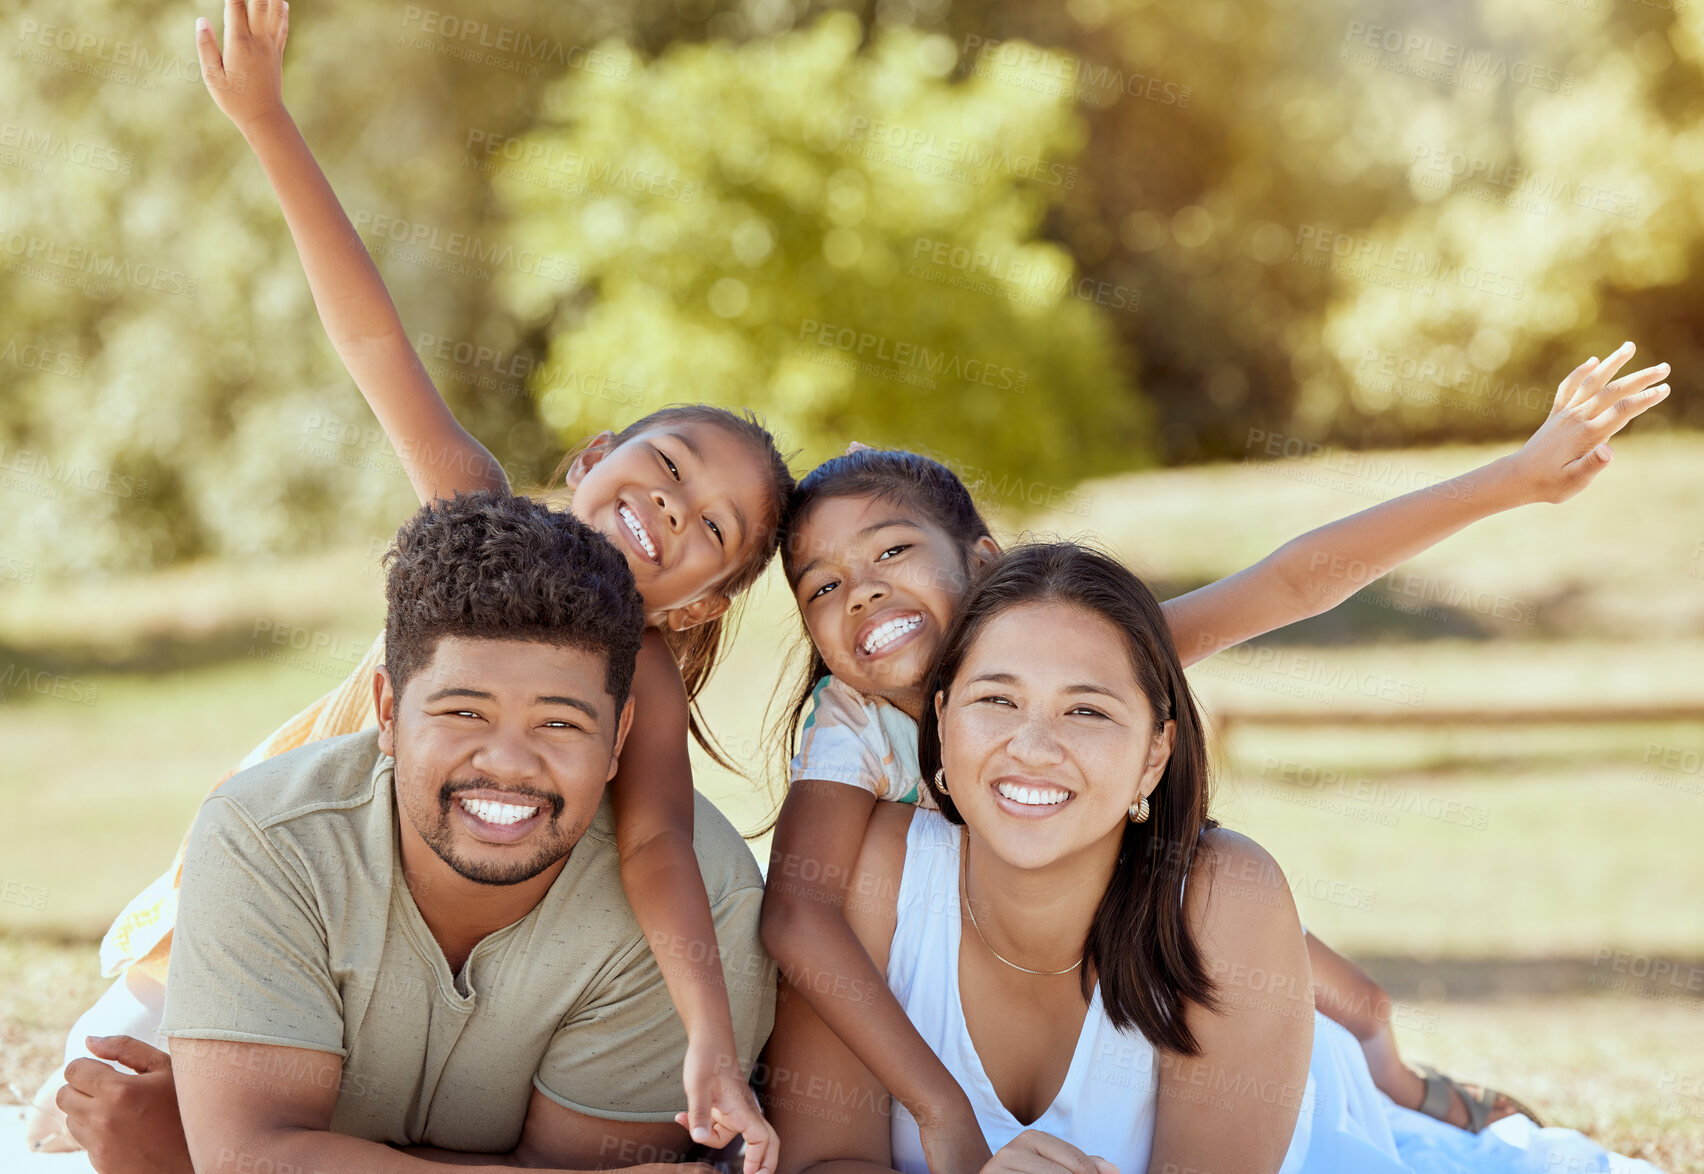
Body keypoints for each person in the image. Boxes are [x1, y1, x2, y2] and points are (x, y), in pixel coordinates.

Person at [27, 0, 793, 1159]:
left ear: (702, 600)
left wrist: (707, 1038)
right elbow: (373, 343)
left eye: (713, 527)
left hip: (427, 938)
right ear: (592, 460)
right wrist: (267, 121)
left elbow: (657, 852)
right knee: (70, 1121)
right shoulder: (471, 515)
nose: (674, 507)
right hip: (282, 881)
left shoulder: (642, 681)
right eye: (667, 466)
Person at [760, 341, 1667, 1172]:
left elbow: (1291, 580)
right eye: (825, 586)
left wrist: (1515, 478)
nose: (865, 590)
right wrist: (940, 1109)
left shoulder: (1095, 637)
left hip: (1140, 903)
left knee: (1350, 1016)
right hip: (1004, 927)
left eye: (891, 551)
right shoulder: (850, 728)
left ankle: (1421, 1098)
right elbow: (798, 911)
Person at [56, 491, 777, 1174]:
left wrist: (213, 1156)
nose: (508, 764)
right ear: (388, 712)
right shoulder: (269, 835)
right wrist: (247, 1155)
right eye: (463, 712)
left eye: (560, 723)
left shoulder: (705, 912)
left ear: (621, 736)